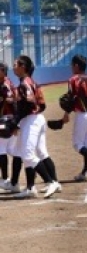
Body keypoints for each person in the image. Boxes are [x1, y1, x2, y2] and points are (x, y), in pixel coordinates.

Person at [12, 55, 60, 199]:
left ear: (23, 67)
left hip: (31, 120)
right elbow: (42, 104)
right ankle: (30, 187)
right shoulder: (32, 82)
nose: (14, 67)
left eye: (16, 64)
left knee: (28, 154)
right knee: (28, 152)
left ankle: (50, 182)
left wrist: (15, 121)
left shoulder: (24, 84)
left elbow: (28, 105)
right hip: (35, 118)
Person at [0, 61, 22, 193]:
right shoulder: (4, 83)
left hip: (7, 120)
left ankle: (5, 179)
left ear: (3, 71)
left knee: (2, 149)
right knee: (11, 149)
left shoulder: (5, 85)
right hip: (8, 120)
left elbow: (13, 103)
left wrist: (15, 124)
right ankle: (34, 165)